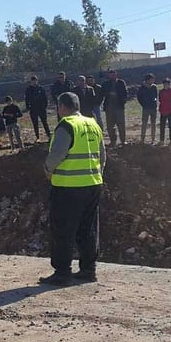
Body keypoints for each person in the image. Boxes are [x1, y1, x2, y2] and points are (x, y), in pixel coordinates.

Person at [40, 91, 106, 286]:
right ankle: (88, 270)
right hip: (93, 184)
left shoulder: (66, 125)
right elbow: (102, 156)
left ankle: (62, 272)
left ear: (61, 107)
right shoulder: (93, 124)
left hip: (68, 187)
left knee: (62, 229)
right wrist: (97, 174)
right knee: (88, 229)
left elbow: (57, 153)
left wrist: (47, 169)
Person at [100, 69, 129, 147]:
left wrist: (122, 99)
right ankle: (113, 141)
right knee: (110, 126)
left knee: (121, 125)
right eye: (110, 75)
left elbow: (125, 93)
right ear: (108, 75)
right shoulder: (105, 84)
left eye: (113, 74)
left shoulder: (121, 82)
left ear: (116, 75)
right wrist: (109, 93)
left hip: (119, 106)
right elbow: (102, 93)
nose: (112, 76)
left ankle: (123, 141)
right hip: (109, 107)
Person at [24, 75, 51, 142]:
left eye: (35, 81)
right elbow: (26, 99)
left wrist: (45, 106)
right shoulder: (28, 90)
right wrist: (28, 107)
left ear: (37, 81)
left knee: (44, 122)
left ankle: (48, 135)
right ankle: (37, 137)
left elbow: (45, 98)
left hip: (41, 108)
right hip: (33, 108)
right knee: (35, 123)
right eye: (33, 81)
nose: (34, 82)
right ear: (31, 82)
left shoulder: (41, 88)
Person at [136, 73, 159, 143]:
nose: (153, 81)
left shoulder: (154, 87)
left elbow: (156, 95)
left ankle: (153, 139)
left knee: (153, 124)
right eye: (152, 79)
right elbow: (139, 97)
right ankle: (142, 138)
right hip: (146, 108)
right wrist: (143, 104)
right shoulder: (142, 88)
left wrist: (154, 103)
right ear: (148, 80)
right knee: (144, 123)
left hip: (153, 108)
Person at [158, 78, 171, 145]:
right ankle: (162, 140)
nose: (165, 85)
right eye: (164, 84)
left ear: (169, 84)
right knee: (162, 126)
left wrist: (169, 103)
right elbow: (160, 100)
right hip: (163, 111)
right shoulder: (160, 92)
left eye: (167, 84)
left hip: (170, 111)